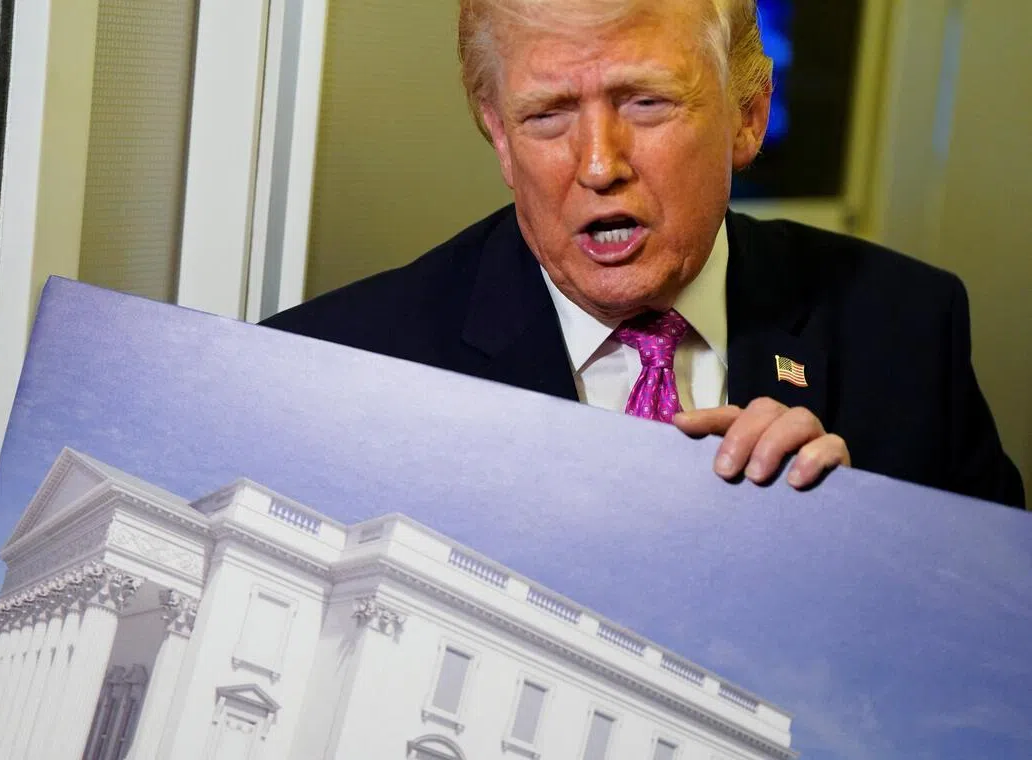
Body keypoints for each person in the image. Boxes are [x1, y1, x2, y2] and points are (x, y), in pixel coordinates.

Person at [263, 0, 1025, 508]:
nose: (599, 164)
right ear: (498, 135)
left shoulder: (909, 328)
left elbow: (993, 652)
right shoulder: (331, 369)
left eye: (645, 102)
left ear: (747, 117)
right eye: (549, 113)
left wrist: (858, 544)